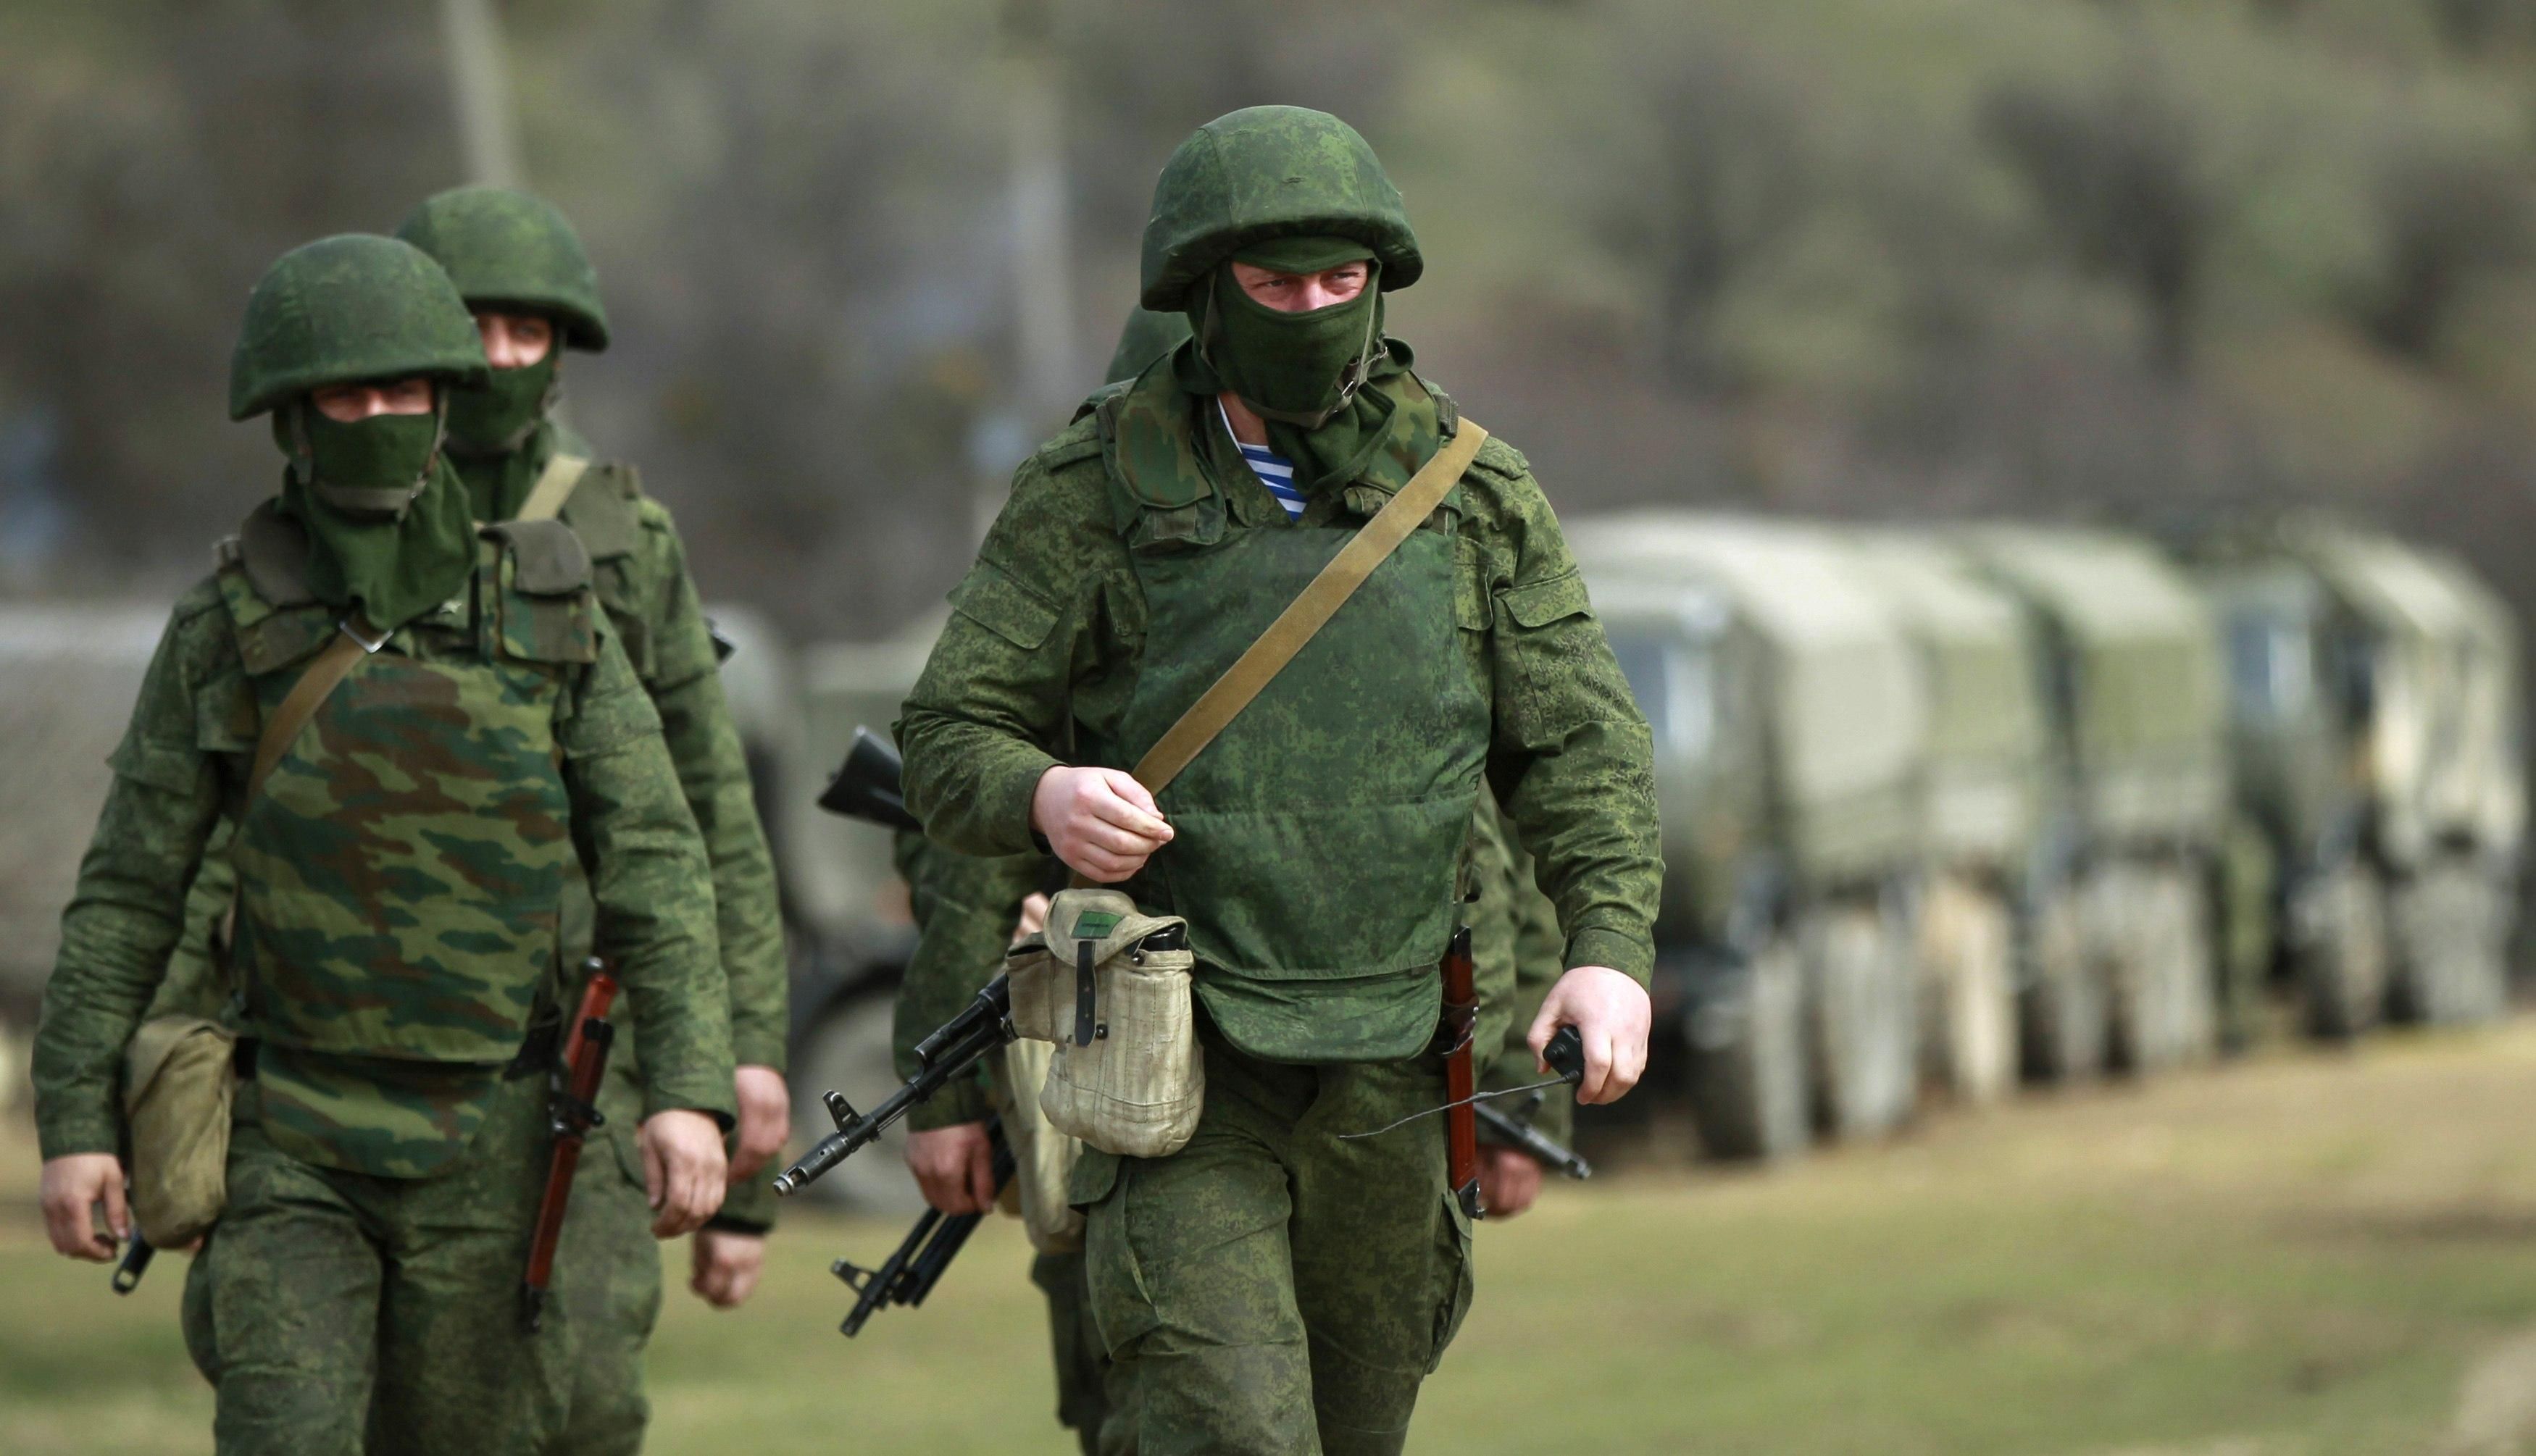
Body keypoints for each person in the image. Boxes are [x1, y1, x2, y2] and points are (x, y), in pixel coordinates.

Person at [896, 106, 1661, 1455]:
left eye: (1338, 280)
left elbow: (1581, 747)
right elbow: (950, 729)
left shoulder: (1477, 499)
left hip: (1398, 1074)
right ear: (1201, 287)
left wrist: (1606, 950)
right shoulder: (1091, 493)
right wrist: (1042, 794)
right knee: (1235, 1433)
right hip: (1180, 1072)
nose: (1310, 308)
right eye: (1271, 283)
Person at [30, 233, 736, 1456]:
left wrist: (687, 1091)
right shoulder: (229, 624)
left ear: (442, 402)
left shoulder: (548, 610)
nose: (376, 417)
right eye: (343, 396)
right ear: (292, 420)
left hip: (500, 1142)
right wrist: (78, 1119)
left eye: (402, 392)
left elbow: (657, 864)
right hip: (289, 1139)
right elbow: (129, 893)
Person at [394, 184, 790, 1452]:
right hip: (373, 1027)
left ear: (561, 347)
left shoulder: (626, 539)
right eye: (472, 326)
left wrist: (747, 1080)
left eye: (526, 330)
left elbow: (710, 816)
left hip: (590, 1031)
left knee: (585, 1389)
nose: (499, 358)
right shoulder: (334, 532)